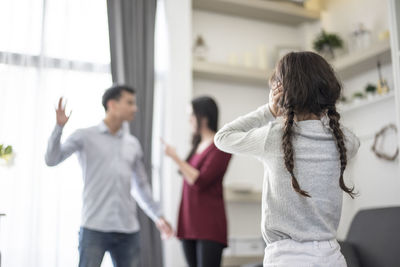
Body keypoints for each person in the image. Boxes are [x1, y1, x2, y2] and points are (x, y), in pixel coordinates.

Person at [214, 52, 360, 267]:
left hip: (286, 258)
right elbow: (353, 141)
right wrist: (325, 111)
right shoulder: (342, 141)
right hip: (331, 257)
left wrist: (269, 111)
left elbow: (222, 138)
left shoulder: (273, 137)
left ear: (283, 93)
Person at [45, 85, 173, 267]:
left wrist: (158, 216)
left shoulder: (133, 144)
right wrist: (59, 127)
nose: (135, 108)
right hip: (94, 227)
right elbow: (52, 159)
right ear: (112, 104)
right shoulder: (85, 136)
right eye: (129, 103)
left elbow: (141, 187)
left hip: (128, 230)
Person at [162, 96, 232, 267]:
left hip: (209, 224)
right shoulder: (197, 145)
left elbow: (200, 181)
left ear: (204, 117)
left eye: (191, 115)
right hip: (189, 221)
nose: (189, 120)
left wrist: (175, 158)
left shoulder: (221, 146)